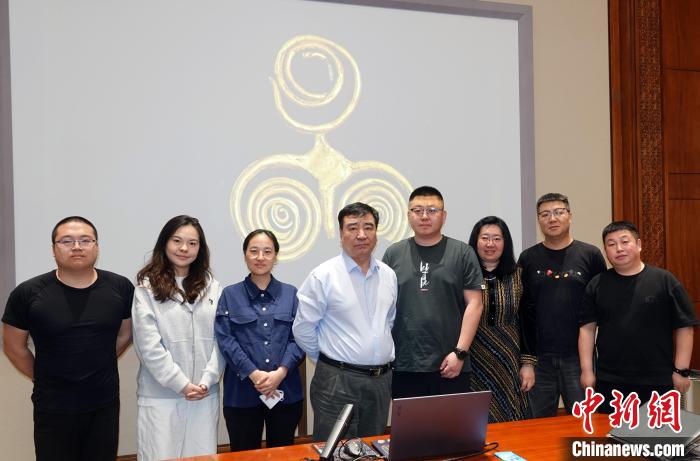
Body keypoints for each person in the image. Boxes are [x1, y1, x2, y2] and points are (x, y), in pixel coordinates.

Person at [2, 216, 133, 461]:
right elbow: (14, 347)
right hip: (53, 406)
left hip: (103, 404)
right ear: (53, 249)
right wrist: (44, 376)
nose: (77, 247)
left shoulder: (120, 287)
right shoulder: (27, 293)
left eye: (85, 240)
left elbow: (125, 334)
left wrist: (97, 362)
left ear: (97, 247)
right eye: (67, 241)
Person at [293, 202, 397, 440]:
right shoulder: (323, 275)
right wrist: (329, 361)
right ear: (341, 234)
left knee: (372, 449)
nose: (361, 234)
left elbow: (388, 322)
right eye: (352, 228)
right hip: (337, 382)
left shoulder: (389, 275)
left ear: (376, 233)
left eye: (368, 227)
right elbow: (303, 329)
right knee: (334, 449)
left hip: (380, 382)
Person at [579, 221, 698, 413]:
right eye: (611, 244)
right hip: (610, 381)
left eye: (625, 241)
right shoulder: (597, 284)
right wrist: (586, 370)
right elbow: (587, 329)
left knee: (656, 431)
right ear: (606, 250)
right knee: (611, 431)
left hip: (657, 380)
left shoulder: (664, 280)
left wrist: (681, 370)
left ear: (639, 244)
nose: (619, 248)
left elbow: (685, 327)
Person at [132, 215, 223, 460]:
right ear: (164, 243)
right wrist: (180, 383)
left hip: (204, 393)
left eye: (192, 243)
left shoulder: (213, 287)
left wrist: (208, 380)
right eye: (177, 241)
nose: (184, 248)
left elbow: (221, 340)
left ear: (200, 249)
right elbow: (148, 345)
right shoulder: (146, 287)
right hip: (161, 395)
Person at [382, 186, 483, 398]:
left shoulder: (462, 252)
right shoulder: (393, 254)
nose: (424, 216)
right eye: (417, 210)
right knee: (410, 421)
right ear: (408, 215)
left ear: (443, 216)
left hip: (451, 363)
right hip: (404, 364)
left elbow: (475, 304)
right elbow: (383, 306)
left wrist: (460, 353)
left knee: (451, 420)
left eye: (432, 210)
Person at [518, 193, 607, 417]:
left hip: (579, 358)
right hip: (539, 359)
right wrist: (527, 361)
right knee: (535, 426)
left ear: (570, 215)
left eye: (558, 212)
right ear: (539, 220)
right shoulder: (527, 258)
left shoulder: (590, 255)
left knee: (585, 423)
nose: (552, 219)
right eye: (545, 214)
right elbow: (523, 311)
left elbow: (603, 306)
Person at [216, 229, 305, 451]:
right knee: (244, 454)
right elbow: (226, 340)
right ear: (245, 255)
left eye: (267, 251)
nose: (260, 257)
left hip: (285, 392)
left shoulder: (291, 294)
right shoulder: (230, 295)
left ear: (275, 256)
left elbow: (299, 339)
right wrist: (255, 375)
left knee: (283, 453)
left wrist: (280, 373)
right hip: (242, 394)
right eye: (254, 251)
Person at [467, 216, 535, 422]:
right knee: (473, 418)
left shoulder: (519, 275)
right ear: (475, 241)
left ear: (506, 243)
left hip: (509, 360)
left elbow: (528, 321)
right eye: (485, 238)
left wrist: (528, 363)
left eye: (497, 238)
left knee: (510, 418)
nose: (490, 244)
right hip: (472, 358)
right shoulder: (464, 275)